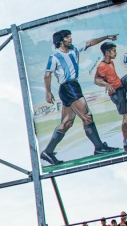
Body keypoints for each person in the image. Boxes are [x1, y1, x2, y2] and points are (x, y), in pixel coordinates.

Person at [41, 27, 120, 166]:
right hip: (68, 87)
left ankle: (48, 152)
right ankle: (99, 147)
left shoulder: (74, 50)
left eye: (70, 36)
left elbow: (90, 42)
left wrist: (107, 36)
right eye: (67, 37)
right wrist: (48, 92)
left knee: (67, 122)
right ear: (60, 41)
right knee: (87, 116)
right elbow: (47, 75)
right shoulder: (55, 57)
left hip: (72, 86)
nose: (70, 38)